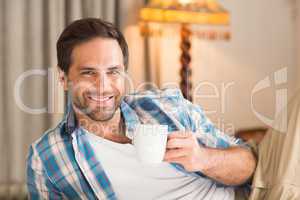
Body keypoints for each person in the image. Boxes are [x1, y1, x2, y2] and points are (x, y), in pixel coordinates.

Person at [26, 18, 256, 200]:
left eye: (113, 71)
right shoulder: (47, 156)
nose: (103, 85)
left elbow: (248, 165)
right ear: (64, 78)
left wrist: (203, 158)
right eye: (89, 72)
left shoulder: (167, 106)